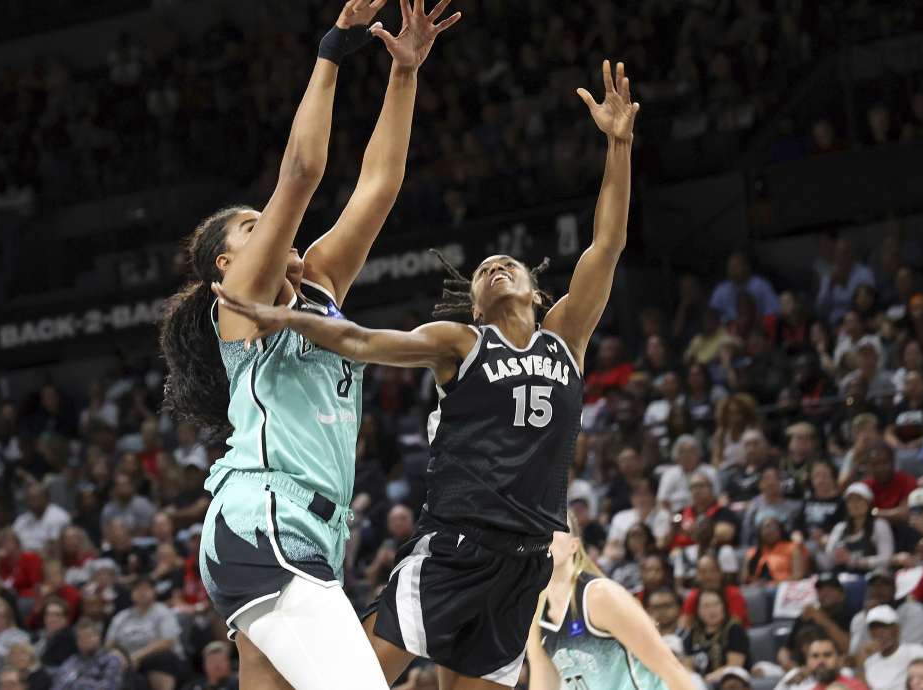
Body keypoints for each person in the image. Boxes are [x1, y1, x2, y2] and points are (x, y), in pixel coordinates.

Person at [217, 57, 636, 689]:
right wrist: (292, 320)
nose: (497, 267)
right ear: (472, 302)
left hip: (524, 560)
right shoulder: (459, 342)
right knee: (355, 677)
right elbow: (360, 339)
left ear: (538, 292)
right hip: (453, 546)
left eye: (509, 264)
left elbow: (606, 245)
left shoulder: (566, 340)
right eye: (484, 268)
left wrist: (619, 146)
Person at [159, 3, 461, 689]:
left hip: (309, 534)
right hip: (268, 520)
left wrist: (404, 74)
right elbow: (300, 173)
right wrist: (332, 51)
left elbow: (379, 187)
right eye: (250, 226)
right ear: (223, 271)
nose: (269, 226)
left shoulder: (320, 286)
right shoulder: (242, 305)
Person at [525, 513, 697, 690]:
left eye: (555, 527)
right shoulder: (536, 613)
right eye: (539, 528)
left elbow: (669, 667)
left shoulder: (599, 596)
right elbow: (542, 684)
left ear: (573, 545)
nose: (546, 535)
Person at [105, 577, 185, 690]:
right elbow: (109, 644)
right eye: (137, 589)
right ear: (132, 593)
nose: (142, 592)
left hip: (158, 660)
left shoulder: (163, 612)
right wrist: (119, 656)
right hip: (128, 662)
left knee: (162, 658)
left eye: (146, 589)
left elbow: (167, 642)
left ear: (154, 592)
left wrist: (137, 657)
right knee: (111, 660)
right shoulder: (122, 617)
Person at [821, 482, 894, 574]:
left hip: (870, 579)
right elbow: (827, 563)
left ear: (869, 503)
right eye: (850, 500)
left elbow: (886, 559)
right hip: (841, 578)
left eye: (859, 499)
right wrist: (833, 555)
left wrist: (856, 561)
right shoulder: (839, 528)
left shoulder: (879, 526)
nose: (854, 504)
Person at [682, 589, 750, 684]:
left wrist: (707, 679)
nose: (712, 610)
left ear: (724, 606)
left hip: (729, 680)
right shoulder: (693, 632)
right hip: (699, 683)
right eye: (706, 606)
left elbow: (734, 664)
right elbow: (687, 665)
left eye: (716, 604)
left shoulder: (734, 629)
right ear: (698, 611)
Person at [863, 606, 923, 690]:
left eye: (884, 627)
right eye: (873, 628)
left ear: (897, 629)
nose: (879, 633)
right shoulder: (869, 662)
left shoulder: (917, 652)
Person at [774, 636, 868, 690]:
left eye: (827, 655)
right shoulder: (796, 679)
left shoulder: (854, 686)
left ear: (839, 659)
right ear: (807, 661)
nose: (821, 661)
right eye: (815, 656)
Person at [52, 620, 123, 690]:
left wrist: (79, 684)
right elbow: (58, 684)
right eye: (80, 638)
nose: (85, 641)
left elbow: (109, 686)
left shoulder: (110, 660)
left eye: (88, 636)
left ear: (98, 637)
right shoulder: (72, 661)